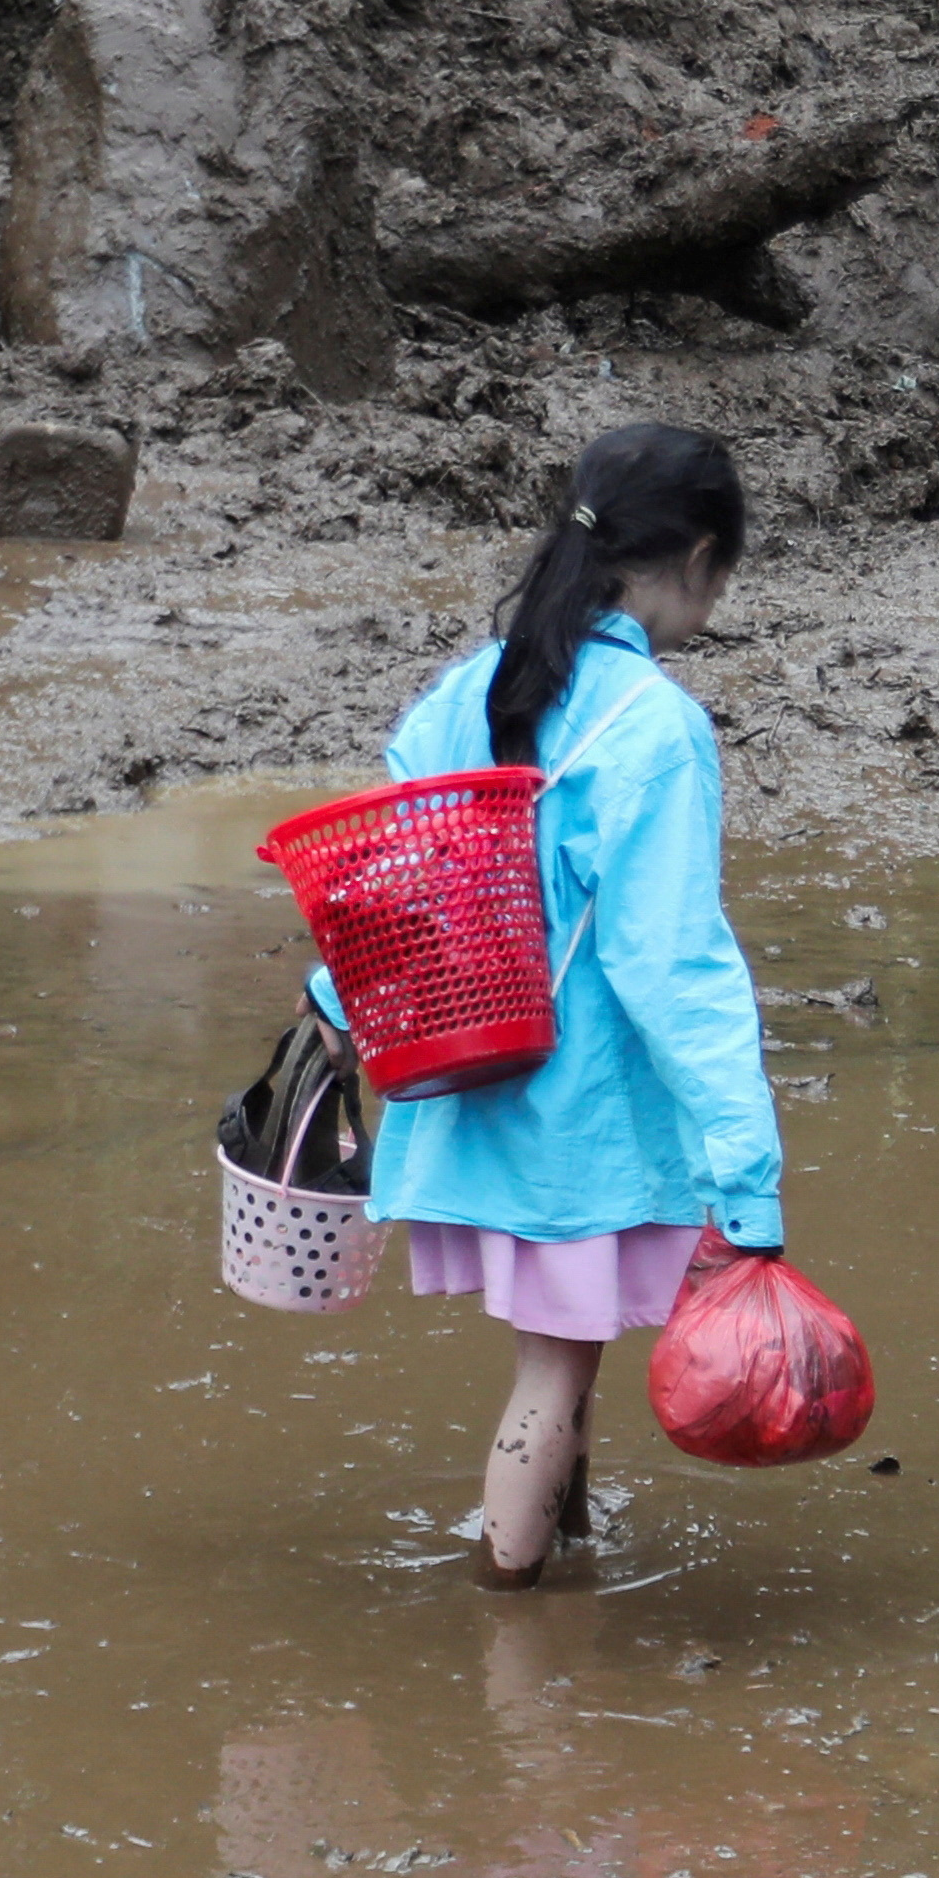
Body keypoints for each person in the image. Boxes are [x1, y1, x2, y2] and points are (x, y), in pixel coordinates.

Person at [324, 425, 787, 1591]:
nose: (714, 605)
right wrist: (748, 1167)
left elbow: (386, 875)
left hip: (474, 1087)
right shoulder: (653, 726)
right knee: (553, 1371)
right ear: (692, 556)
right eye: (720, 579)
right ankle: (516, 1631)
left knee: (566, 1359)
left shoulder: (469, 687)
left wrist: (331, 1002)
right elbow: (670, 964)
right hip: (581, 1123)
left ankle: (565, 1556)